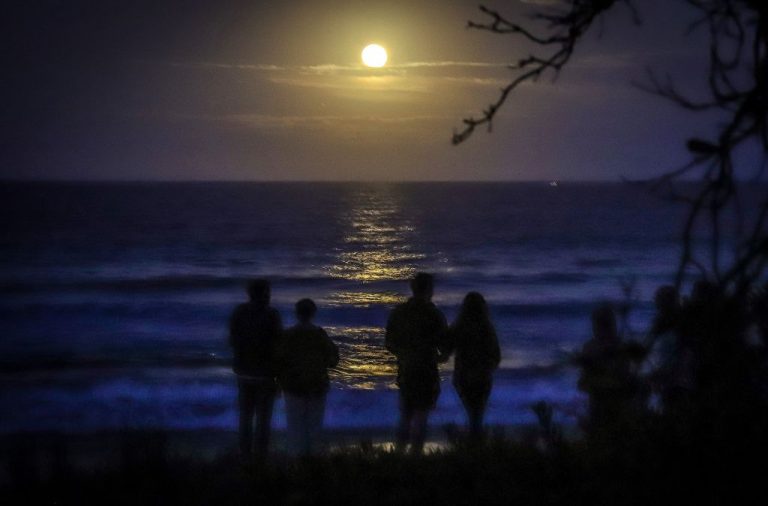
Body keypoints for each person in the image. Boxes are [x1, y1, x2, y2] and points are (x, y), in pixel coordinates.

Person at [385, 272, 449, 453]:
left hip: (406, 369)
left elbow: (389, 343)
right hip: (426, 369)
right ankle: (416, 455)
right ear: (429, 290)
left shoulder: (399, 312)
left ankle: (399, 454)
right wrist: (439, 357)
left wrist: (403, 354)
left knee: (405, 414)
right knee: (421, 414)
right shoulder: (434, 314)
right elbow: (444, 346)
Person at [275, 298, 339, 456]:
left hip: (293, 386)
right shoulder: (319, 334)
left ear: (297, 314)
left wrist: (278, 381)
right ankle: (313, 460)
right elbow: (333, 360)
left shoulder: (288, 335)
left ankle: (296, 460)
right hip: (317, 385)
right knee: (314, 426)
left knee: (295, 426)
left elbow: (278, 360)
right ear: (313, 313)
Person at [228, 279, 283, 461]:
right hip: (265, 375)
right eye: (267, 293)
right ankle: (260, 457)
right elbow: (278, 346)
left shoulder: (239, 312)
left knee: (246, 417)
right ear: (263, 294)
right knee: (263, 419)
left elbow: (233, 340)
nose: (269, 296)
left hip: (244, 373)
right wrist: (279, 375)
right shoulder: (271, 315)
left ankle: (245, 455)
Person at [577, 303, 643, 440]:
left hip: (615, 405)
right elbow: (584, 381)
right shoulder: (593, 347)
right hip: (602, 404)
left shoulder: (616, 347)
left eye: (600, 324)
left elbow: (624, 378)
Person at [445, 292, 501, 440]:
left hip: (462, 376)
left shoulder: (458, 327)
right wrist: (488, 368)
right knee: (477, 413)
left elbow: (446, 350)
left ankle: (473, 441)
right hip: (482, 376)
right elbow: (496, 356)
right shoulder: (487, 328)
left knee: (472, 411)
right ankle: (476, 441)